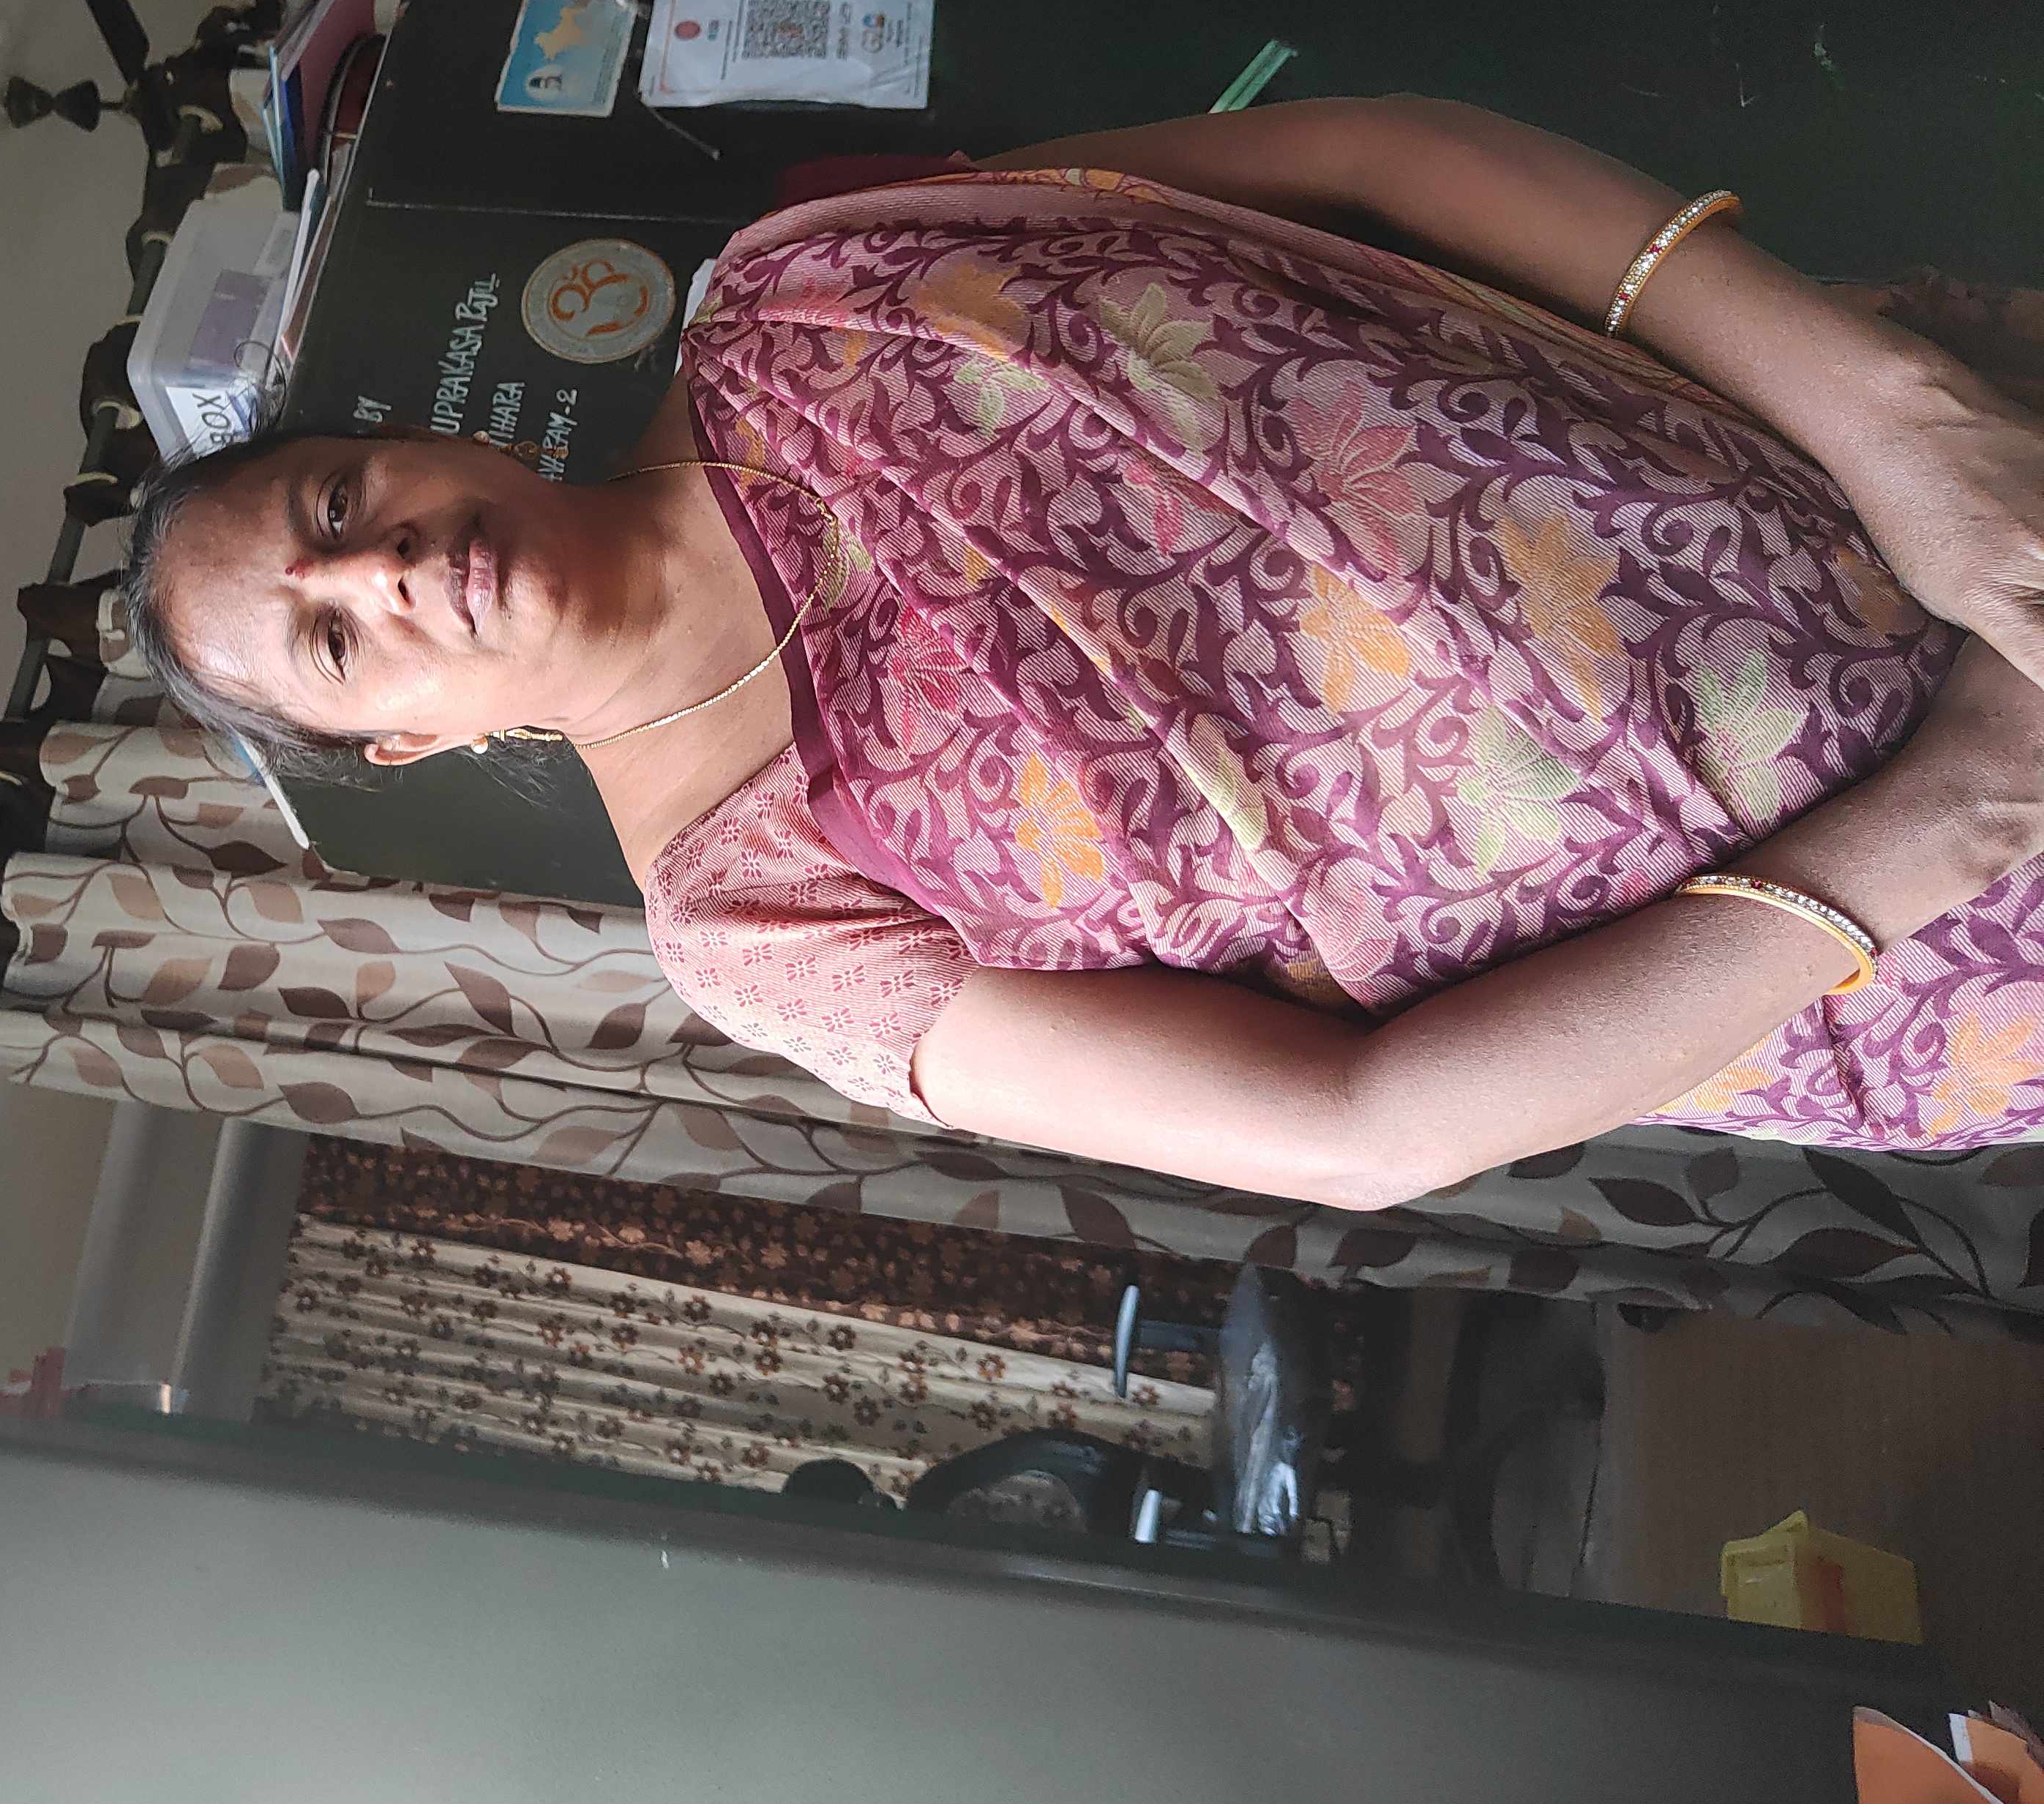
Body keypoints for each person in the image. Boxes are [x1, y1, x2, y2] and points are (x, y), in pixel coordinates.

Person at [118, 98, 2044, 1205]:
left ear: (416, 436)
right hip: (1954, 925)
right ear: (401, 750)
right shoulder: (760, 920)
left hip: (1966, 502)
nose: (378, 570)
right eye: (332, 641)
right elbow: (1351, 1130)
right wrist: (1944, 819)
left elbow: (1376, 158)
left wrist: (1903, 418)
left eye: (334, 504)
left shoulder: (812, 284)